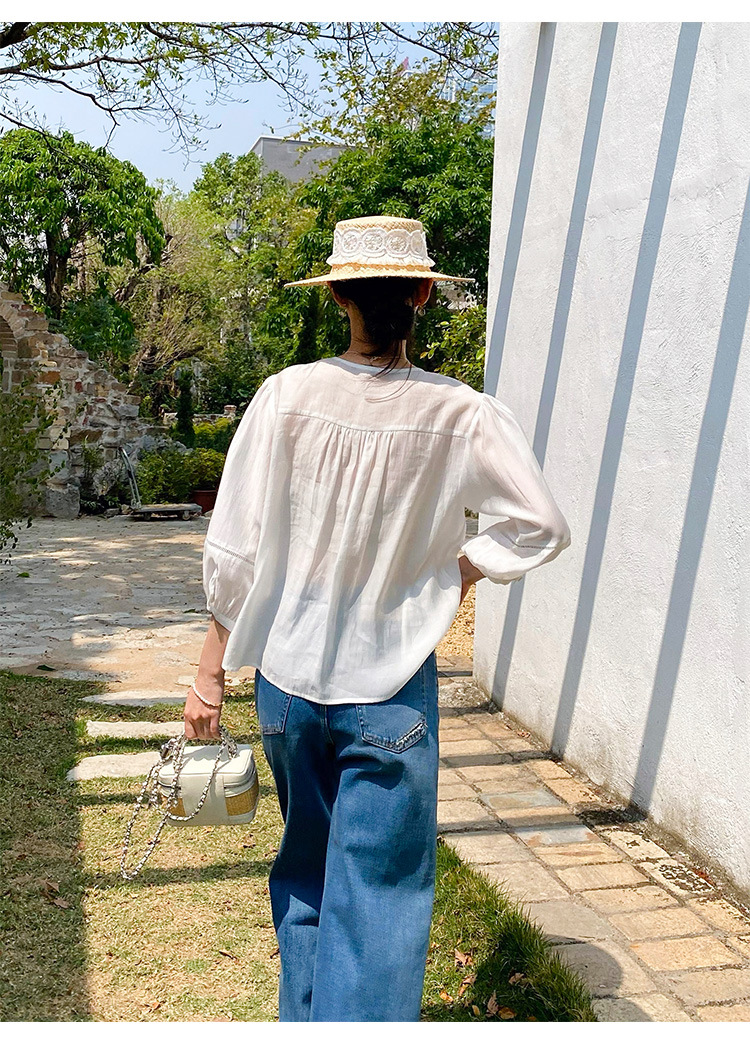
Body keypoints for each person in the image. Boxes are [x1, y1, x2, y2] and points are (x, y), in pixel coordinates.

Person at [182, 215, 571, 1022]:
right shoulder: (461, 414)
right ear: (423, 295)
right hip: (390, 688)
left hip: (287, 685)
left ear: (339, 298)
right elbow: (541, 524)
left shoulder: (285, 397)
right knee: (379, 902)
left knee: (306, 877)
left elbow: (236, 551)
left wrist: (208, 675)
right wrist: (456, 570)